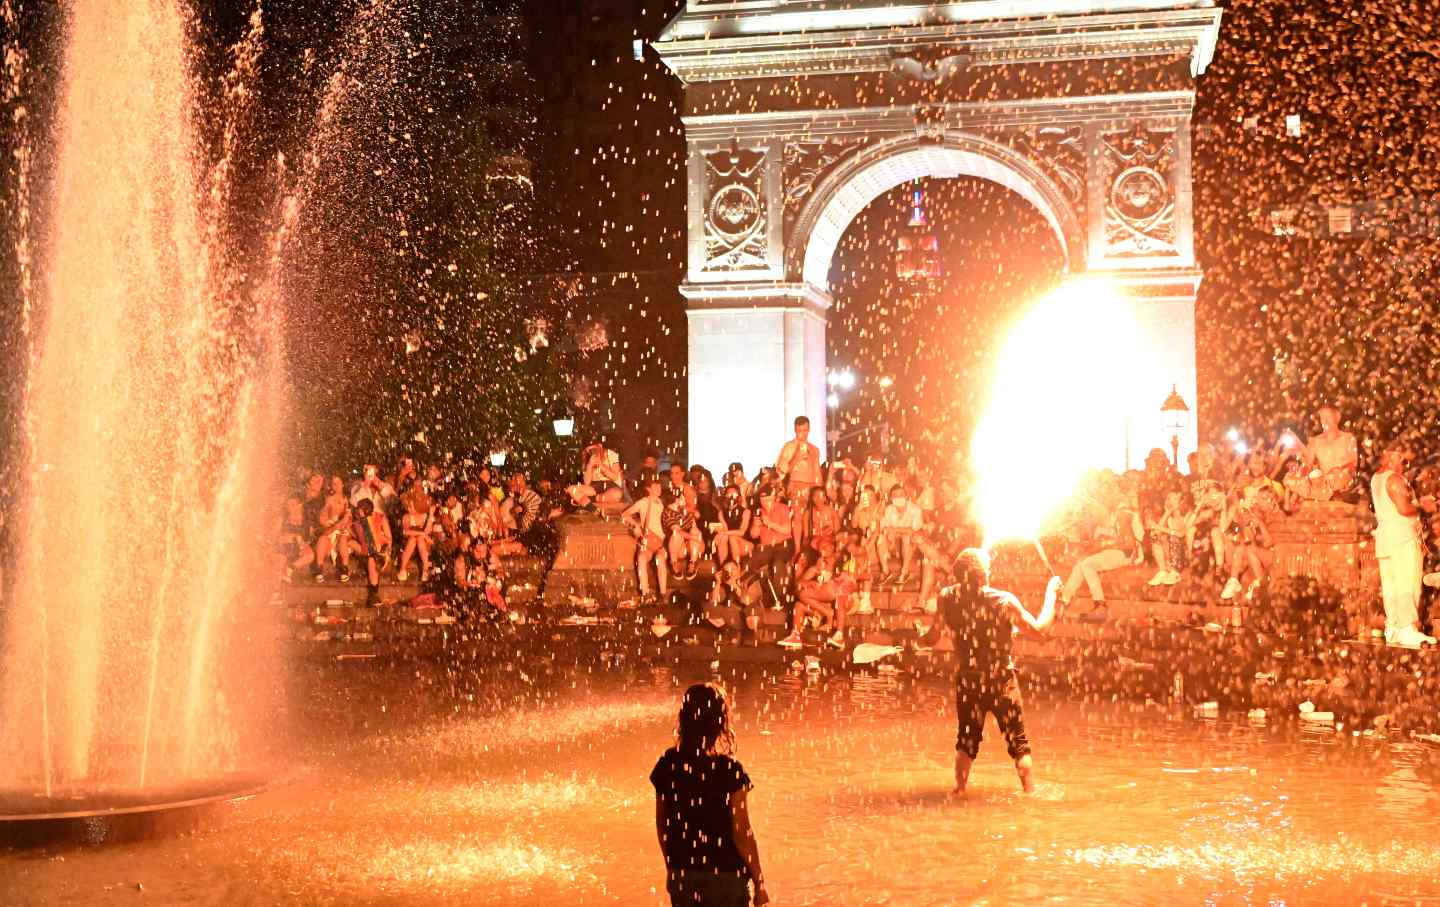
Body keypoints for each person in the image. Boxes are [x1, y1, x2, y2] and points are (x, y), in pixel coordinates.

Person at [920, 550, 1061, 796]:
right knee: (1019, 743)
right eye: (988, 566)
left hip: (968, 679)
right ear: (983, 574)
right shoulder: (1004, 601)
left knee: (966, 740)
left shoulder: (946, 597)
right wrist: (1051, 595)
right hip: (1001, 680)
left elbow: (932, 637)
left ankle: (959, 790)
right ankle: (1030, 794)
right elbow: (1040, 632)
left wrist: (918, 634)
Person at [651, 683, 770, 907]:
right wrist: (760, 883)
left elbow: (662, 825)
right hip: (726, 877)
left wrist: (674, 867)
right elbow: (742, 833)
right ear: (720, 723)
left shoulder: (668, 765)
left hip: (684, 875)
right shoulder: (729, 771)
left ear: (684, 719)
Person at [1371, 441, 1437, 647]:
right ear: (1391, 456)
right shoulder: (1394, 479)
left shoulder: (1376, 478)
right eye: (1402, 459)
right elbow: (1404, 508)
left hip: (1385, 538)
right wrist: (1422, 505)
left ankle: (1394, 628)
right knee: (1408, 583)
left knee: (1391, 586)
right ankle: (1408, 629)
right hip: (1402, 537)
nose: (1405, 464)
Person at [1290, 405, 1359, 502]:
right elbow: (1307, 465)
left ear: (1337, 417)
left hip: (1343, 481)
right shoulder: (1315, 441)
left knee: (1338, 478)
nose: (1325, 421)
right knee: (1294, 481)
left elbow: (1353, 464)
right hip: (1323, 486)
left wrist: (1339, 471)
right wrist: (1303, 475)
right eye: (1322, 417)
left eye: (1328, 417)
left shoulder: (1348, 438)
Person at [622, 478, 670, 603]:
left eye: (659, 486)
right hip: (648, 541)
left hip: (660, 542)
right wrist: (636, 526)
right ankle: (645, 593)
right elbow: (625, 514)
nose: (659, 489)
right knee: (641, 559)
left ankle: (663, 594)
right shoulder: (643, 502)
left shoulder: (663, 503)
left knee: (660, 559)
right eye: (655, 486)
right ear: (648, 489)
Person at [876, 483, 924, 586]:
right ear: (891, 498)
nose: (898, 498)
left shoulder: (915, 510)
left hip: (912, 546)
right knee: (880, 538)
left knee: (907, 537)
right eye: (895, 495)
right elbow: (884, 527)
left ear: (906, 496)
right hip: (894, 543)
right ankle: (886, 571)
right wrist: (890, 535)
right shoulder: (889, 509)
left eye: (901, 494)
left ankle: (904, 572)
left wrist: (894, 530)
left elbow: (913, 530)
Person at [350, 497, 392, 605]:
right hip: (365, 550)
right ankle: (343, 566)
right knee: (349, 542)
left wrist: (379, 537)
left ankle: (374, 594)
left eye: (360, 509)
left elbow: (389, 539)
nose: (358, 511)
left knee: (371, 560)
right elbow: (358, 539)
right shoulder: (358, 522)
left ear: (366, 509)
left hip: (380, 551)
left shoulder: (381, 518)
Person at [775, 415, 821, 498]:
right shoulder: (789, 447)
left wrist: (820, 491)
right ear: (795, 430)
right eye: (799, 431)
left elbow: (817, 473)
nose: (802, 434)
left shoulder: (814, 449)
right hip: (794, 488)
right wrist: (796, 457)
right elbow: (781, 473)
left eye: (805, 430)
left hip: (811, 489)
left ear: (809, 429)